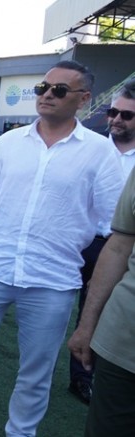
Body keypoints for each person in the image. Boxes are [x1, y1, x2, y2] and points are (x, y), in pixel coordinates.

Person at [0, 61, 123, 437]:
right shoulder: (9, 142)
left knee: (37, 368)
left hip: (53, 277)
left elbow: (114, 224)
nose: (47, 95)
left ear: (84, 99)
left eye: (59, 90)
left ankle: (21, 431)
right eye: (43, 87)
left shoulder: (100, 152)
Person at [67, 78, 135, 437]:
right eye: (113, 112)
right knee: (77, 306)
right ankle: (80, 373)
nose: (116, 119)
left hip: (120, 245)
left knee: (100, 306)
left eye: (127, 115)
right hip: (88, 241)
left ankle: (86, 376)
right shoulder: (90, 148)